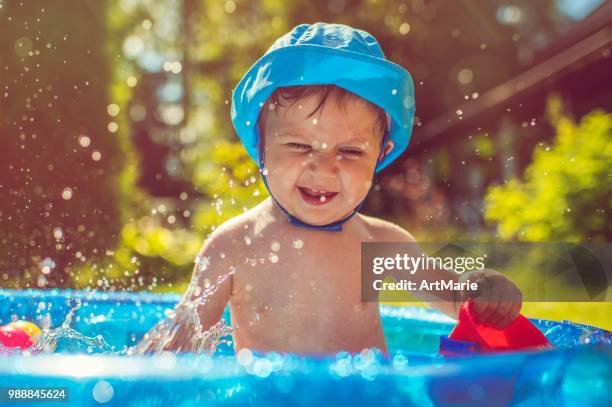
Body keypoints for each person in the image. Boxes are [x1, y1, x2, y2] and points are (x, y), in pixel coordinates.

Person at [135, 22, 522, 355]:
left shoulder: (382, 245)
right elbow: (178, 344)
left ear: (380, 155)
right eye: (300, 146)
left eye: (351, 151)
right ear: (262, 146)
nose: (323, 167)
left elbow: (455, 297)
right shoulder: (233, 247)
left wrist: (484, 291)